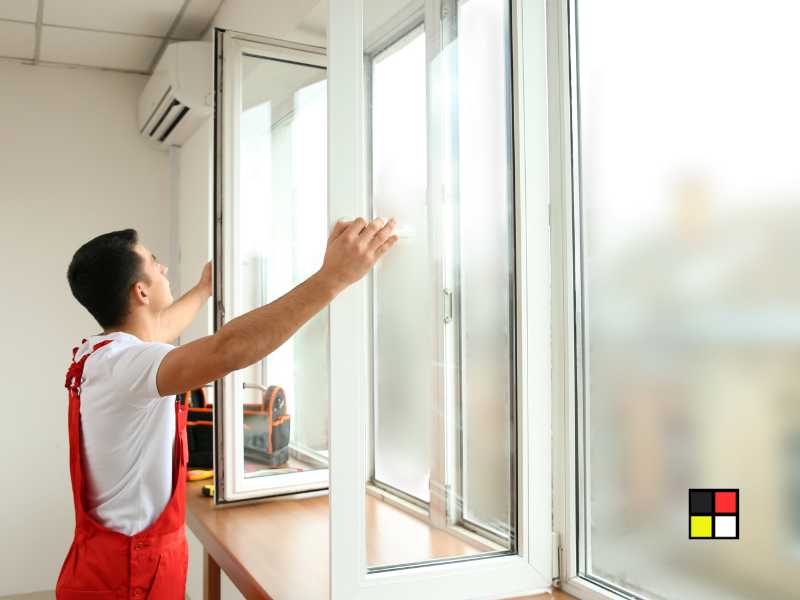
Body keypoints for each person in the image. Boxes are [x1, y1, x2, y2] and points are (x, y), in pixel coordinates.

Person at [56, 217, 398, 599]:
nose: (164, 268)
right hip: (127, 579)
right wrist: (333, 278)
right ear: (141, 292)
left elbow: (161, 329)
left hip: (107, 565)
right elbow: (228, 349)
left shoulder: (100, 352)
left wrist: (204, 290)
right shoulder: (128, 365)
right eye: (155, 263)